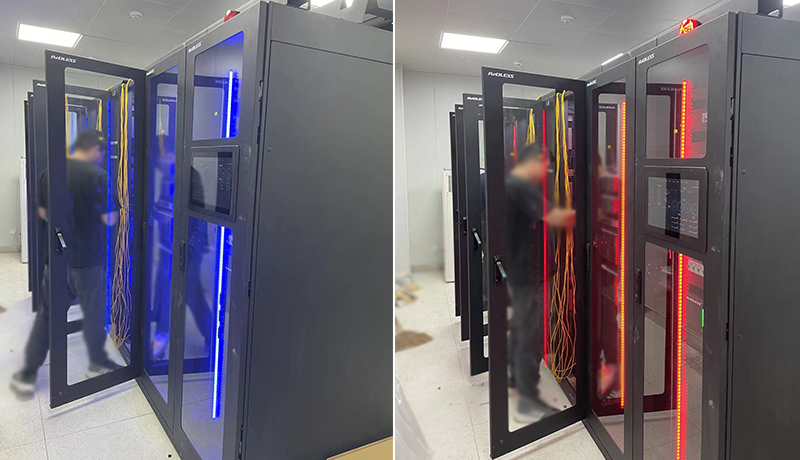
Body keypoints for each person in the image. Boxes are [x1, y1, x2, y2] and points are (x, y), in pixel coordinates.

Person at [11, 130, 121, 398]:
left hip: (57, 259)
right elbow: (109, 220)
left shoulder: (50, 172)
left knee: (48, 316)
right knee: (94, 314)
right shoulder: (100, 176)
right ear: (95, 150)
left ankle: (27, 374)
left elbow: (42, 212)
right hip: (89, 261)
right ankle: (97, 364)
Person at [506, 142, 575, 423]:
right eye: (545, 167)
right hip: (530, 275)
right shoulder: (521, 188)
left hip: (525, 271)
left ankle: (518, 383)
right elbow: (558, 217)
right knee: (531, 333)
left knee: (524, 328)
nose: (547, 173)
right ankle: (527, 401)